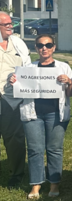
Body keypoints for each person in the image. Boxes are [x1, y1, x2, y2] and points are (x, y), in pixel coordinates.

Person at [14, 35, 72, 198]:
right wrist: (16, 81)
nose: (44, 48)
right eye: (40, 45)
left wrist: (69, 82)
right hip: (33, 113)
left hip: (56, 113)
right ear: (36, 48)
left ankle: (54, 184)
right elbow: (20, 87)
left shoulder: (63, 67)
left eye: (48, 45)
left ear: (54, 47)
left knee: (54, 149)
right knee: (34, 149)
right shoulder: (28, 68)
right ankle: (36, 185)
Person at [0, 11, 31, 187]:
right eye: (6, 24)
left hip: (11, 98)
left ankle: (16, 174)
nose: (10, 26)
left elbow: (27, 68)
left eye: (11, 23)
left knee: (14, 137)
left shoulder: (18, 43)